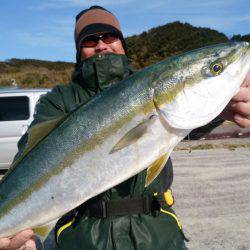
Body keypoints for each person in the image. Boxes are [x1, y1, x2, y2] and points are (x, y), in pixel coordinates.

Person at [0, 5, 250, 250]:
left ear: (122, 42)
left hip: (157, 235)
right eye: (89, 40)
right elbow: (29, 156)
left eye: (109, 35)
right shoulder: (59, 100)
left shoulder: (149, 89)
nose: (101, 44)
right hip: (83, 239)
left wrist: (223, 108)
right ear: (79, 51)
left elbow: (187, 118)